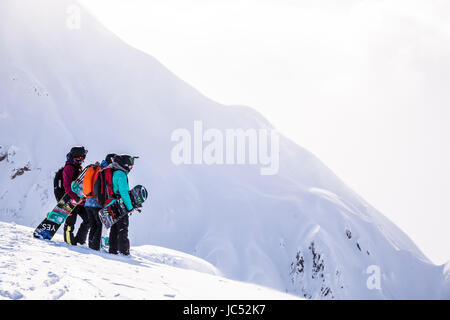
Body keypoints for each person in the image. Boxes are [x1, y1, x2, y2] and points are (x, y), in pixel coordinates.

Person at [83, 153, 116, 251]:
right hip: (97, 203)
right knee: (99, 225)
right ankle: (95, 246)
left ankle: (91, 244)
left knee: (93, 224)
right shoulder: (106, 171)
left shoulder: (96, 168)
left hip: (88, 201)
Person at [108, 154, 136, 256]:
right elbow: (124, 192)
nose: (131, 168)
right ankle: (124, 251)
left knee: (114, 228)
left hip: (111, 204)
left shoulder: (113, 171)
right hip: (120, 205)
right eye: (130, 166)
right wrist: (130, 207)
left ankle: (113, 249)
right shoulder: (121, 174)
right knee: (122, 228)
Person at [63, 146, 90, 246]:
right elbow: (67, 186)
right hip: (72, 200)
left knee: (88, 219)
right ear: (77, 157)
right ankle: (69, 241)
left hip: (80, 200)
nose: (83, 159)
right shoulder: (69, 168)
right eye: (82, 157)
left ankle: (80, 240)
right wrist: (75, 197)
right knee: (70, 222)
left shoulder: (78, 166)